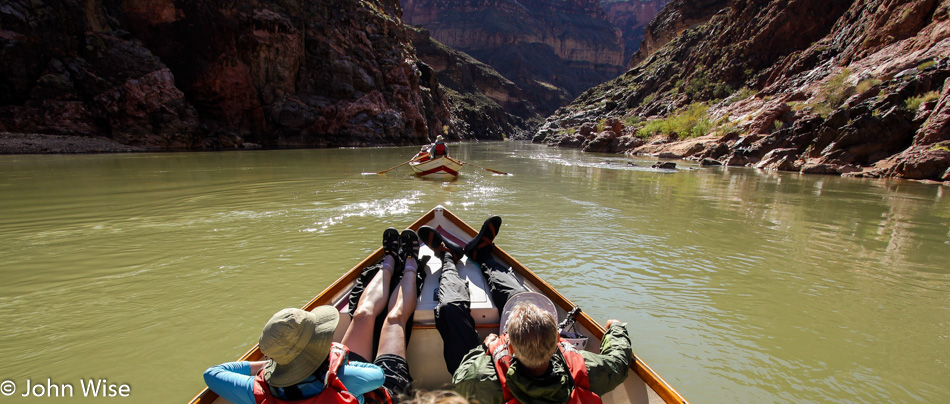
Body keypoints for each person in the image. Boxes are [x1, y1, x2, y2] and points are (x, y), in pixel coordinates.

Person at [417, 217, 633, 404]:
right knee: (520, 299)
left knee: (449, 309)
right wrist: (616, 329)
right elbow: (619, 361)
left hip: (486, 366)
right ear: (558, 338)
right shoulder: (588, 373)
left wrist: (486, 347)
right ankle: (481, 254)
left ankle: (447, 258)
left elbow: (461, 376)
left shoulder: (477, 380)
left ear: (508, 344)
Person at [203, 228, 428, 404]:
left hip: (312, 371)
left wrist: (282, 363)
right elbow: (376, 375)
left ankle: (389, 260)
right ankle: (410, 261)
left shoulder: (258, 392)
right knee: (394, 319)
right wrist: (328, 364)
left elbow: (213, 373)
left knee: (362, 314)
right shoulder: (348, 377)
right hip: (360, 386)